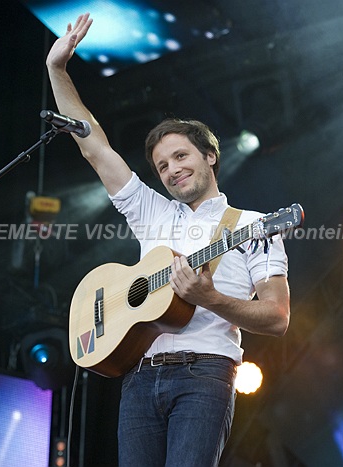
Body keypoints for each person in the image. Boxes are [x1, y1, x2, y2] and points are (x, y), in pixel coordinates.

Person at [46, 13, 291, 467]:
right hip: (139, 375)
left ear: (210, 156)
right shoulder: (152, 212)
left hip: (206, 374)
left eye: (181, 156)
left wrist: (211, 298)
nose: (173, 169)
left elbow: (278, 318)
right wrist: (57, 69)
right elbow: (94, 146)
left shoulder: (253, 224)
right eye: (162, 166)